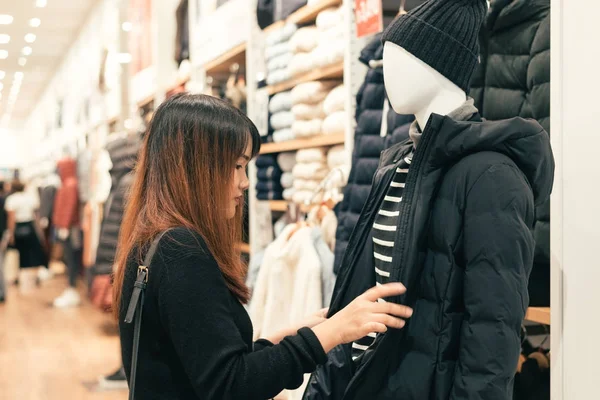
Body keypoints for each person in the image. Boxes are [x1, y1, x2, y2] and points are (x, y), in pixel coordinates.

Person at [112, 93, 413, 400]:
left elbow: (202, 364)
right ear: (198, 168)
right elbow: (231, 385)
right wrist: (330, 334)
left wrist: (291, 336)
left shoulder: (152, 241)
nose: (244, 182)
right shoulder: (182, 252)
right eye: (237, 165)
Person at [5, 180, 48, 280]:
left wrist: (11, 233)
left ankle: (21, 276)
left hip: (18, 226)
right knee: (32, 252)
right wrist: (40, 232)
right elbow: (36, 216)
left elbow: (11, 218)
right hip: (29, 226)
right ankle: (32, 276)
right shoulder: (29, 198)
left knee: (20, 252)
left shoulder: (12, 199)